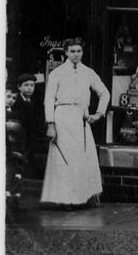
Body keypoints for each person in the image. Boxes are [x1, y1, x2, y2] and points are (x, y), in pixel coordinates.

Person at [41, 37, 110, 209]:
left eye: (79, 51)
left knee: (84, 157)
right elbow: (48, 99)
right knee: (64, 158)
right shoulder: (57, 73)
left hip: (81, 117)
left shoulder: (88, 72)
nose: (76, 55)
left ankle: (86, 195)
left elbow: (104, 93)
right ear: (65, 52)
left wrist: (99, 114)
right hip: (62, 116)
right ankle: (66, 199)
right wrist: (50, 123)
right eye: (72, 51)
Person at [11, 73, 45, 178]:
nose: (29, 88)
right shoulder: (16, 101)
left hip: (31, 135)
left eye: (32, 85)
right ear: (19, 87)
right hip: (20, 135)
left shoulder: (34, 102)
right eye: (26, 85)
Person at [5, 87, 26, 220]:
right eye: (8, 97)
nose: (11, 100)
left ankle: (12, 205)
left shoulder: (15, 114)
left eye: (14, 98)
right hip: (3, 149)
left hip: (13, 149)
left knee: (14, 176)